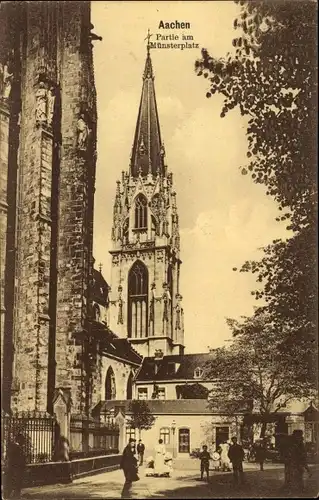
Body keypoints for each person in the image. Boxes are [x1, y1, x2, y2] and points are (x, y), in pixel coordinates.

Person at [5, 433, 27, 499]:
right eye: (23, 440)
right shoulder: (16, 447)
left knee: (15, 483)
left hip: (15, 469)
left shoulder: (14, 447)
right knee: (16, 483)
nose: (24, 441)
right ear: (19, 440)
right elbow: (16, 459)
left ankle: (14, 496)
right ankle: (15, 496)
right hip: (16, 469)